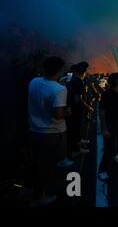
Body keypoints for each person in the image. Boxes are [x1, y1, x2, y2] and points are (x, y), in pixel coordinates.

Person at [27, 56, 68, 206]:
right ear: (59, 70)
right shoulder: (59, 89)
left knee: (34, 162)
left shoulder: (34, 82)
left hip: (33, 130)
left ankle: (29, 190)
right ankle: (39, 197)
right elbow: (58, 114)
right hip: (50, 133)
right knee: (46, 166)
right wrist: (67, 112)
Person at [98, 73, 118, 181]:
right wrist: (105, 128)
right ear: (115, 82)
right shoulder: (106, 94)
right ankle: (102, 170)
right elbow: (102, 111)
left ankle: (115, 154)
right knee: (109, 147)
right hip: (110, 123)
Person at [66, 62, 93, 158]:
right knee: (74, 129)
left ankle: (78, 142)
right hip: (76, 110)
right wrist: (88, 107)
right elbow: (78, 100)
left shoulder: (72, 80)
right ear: (82, 72)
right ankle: (75, 150)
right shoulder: (78, 82)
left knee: (74, 129)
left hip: (72, 109)